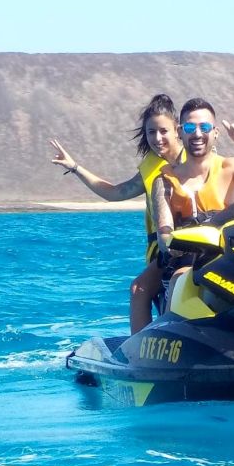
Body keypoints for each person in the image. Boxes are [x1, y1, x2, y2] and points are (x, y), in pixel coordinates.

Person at [50, 94, 183, 333]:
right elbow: (114, 192)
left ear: (177, 130)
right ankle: (142, 352)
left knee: (140, 289)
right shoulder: (151, 167)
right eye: (151, 132)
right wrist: (75, 168)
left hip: (192, 247)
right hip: (162, 252)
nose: (157, 138)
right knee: (139, 290)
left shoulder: (195, 160)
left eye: (163, 131)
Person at [149, 97, 234, 328]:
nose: (197, 134)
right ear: (179, 132)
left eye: (204, 127)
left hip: (230, 261)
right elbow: (164, 233)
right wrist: (172, 243)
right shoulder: (164, 180)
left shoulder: (231, 167)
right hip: (186, 263)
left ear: (215, 133)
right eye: (189, 127)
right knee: (178, 279)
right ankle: (167, 335)